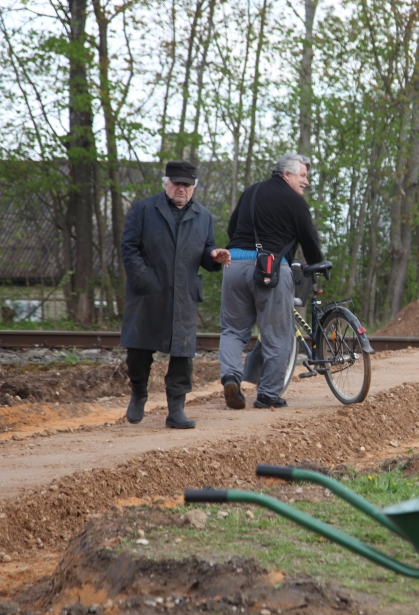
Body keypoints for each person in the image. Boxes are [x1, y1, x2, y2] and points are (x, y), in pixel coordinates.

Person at [120, 160, 231, 428]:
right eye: (177, 183)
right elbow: (129, 248)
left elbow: (206, 251)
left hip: (184, 295)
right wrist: (147, 281)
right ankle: (139, 393)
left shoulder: (203, 216)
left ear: (194, 187)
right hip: (148, 293)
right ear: (166, 182)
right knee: (138, 350)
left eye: (187, 185)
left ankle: (176, 410)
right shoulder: (144, 209)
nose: (181, 189)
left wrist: (214, 256)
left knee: (182, 355)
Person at [219, 153, 324, 409]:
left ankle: (231, 375)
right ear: (286, 175)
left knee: (233, 330)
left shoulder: (251, 192)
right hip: (271, 269)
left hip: (234, 264)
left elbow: (232, 230)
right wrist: (317, 261)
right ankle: (267, 394)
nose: (306, 182)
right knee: (278, 334)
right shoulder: (294, 200)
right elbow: (309, 238)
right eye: (303, 175)